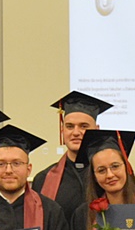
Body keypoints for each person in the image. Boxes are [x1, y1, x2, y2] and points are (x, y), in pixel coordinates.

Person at [33, 90, 114, 222]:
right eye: (70, 126)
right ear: (62, 131)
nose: (76, 132)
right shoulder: (43, 179)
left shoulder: (111, 176)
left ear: (97, 130)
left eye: (83, 126)